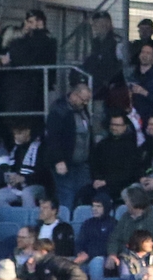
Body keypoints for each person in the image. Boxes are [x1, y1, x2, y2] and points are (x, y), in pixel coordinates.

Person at [44, 82, 92, 211]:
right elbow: (53, 138)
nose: (86, 103)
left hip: (81, 164)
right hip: (65, 163)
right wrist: (59, 160)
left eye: (87, 100)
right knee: (67, 196)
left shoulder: (82, 110)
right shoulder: (59, 110)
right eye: (84, 100)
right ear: (75, 95)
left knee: (83, 194)